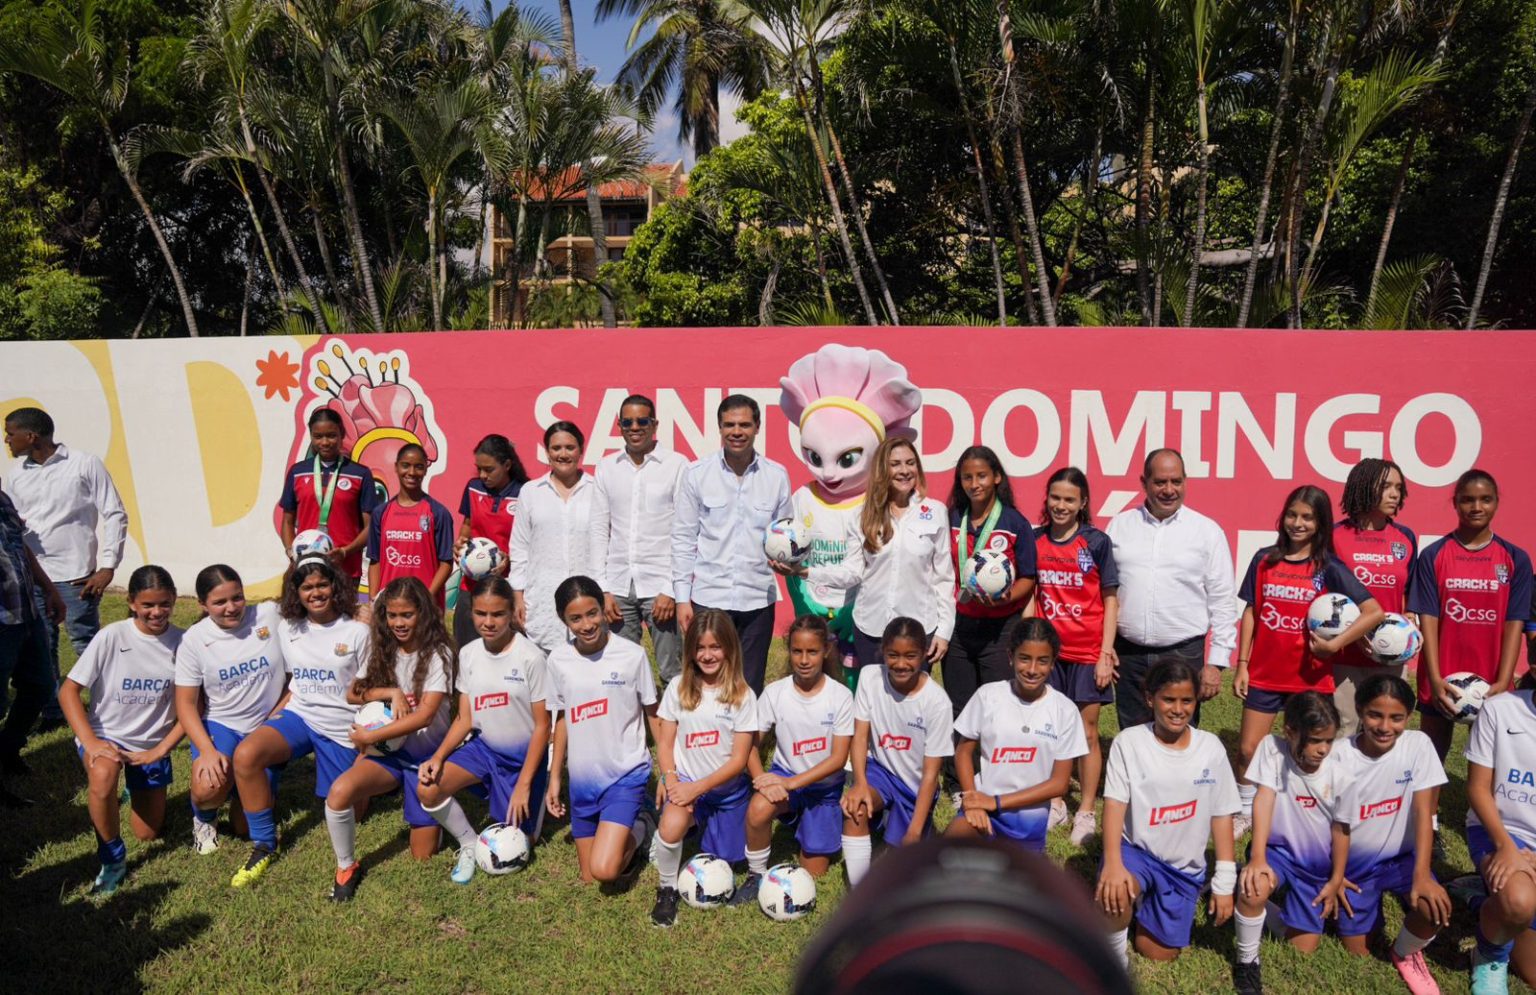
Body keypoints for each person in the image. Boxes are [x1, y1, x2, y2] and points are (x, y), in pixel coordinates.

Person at [1233, 485, 1382, 837]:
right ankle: (1243, 810)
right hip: (1265, 674)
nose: (1297, 523)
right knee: (1247, 748)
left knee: (1307, 750)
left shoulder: (1328, 567)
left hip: (1310, 679)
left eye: (1307, 517)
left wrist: (1336, 646)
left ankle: (1302, 808)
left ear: (1320, 524)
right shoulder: (1265, 559)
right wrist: (1242, 663)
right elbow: (1252, 611)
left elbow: (1373, 612)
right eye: (1292, 515)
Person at [228, 555, 370, 888]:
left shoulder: (357, 631)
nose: (316, 592)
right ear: (296, 591)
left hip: (340, 726)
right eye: (307, 587)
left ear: (335, 585)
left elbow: (367, 688)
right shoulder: (288, 628)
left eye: (322, 584)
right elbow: (294, 680)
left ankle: (365, 777)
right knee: (247, 754)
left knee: (353, 811)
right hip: (301, 714)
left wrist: (367, 740)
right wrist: (274, 713)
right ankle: (264, 843)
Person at [323, 576, 460, 901]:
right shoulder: (383, 649)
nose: (398, 623)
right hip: (389, 754)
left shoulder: (438, 654)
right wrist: (391, 692)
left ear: (423, 614)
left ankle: (434, 811)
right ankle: (346, 866)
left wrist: (370, 735)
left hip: (424, 759)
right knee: (339, 793)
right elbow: (352, 694)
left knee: (422, 854)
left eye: (407, 615)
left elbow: (425, 716)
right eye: (392, 615)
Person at [1096, 659, 1238, 967]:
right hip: (1137, 853)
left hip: (1182, 868)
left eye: (1186, 700)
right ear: (1150, 699)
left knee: (1159, 953)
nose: (1178, 709)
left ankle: (1148, 903)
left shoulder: (1211, 748)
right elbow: (1114, 806)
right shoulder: (1129, 742)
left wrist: (1225, 881)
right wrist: (1112, 864)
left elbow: (1222, 814)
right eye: (1168, 699)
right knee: (1115, 891)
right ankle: (1114, 957)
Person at [57, 565, 184, 896]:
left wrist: (161, 749)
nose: (156, 612)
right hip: (107, 736)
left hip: (150, 745)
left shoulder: (184, 643)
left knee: (148, 832)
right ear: (131, 603)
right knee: (103, 774)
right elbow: (68, 691)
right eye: (147, 605)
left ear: (174, 600)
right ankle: (112, 860)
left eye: (164, 604)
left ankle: (131, 790)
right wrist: (91, 741)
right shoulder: (112, 636)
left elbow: (191, 710)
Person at [788, 436, 955, 679]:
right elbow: (852, 572)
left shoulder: (935, 512)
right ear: (881, 469)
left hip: (920, 628)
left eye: (910, 463)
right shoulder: (862, 514)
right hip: (871, 629)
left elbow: (944, 578)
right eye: (896, 464)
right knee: (873, 705)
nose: (905, 470)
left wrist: (944, 631)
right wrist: (805, 572)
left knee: (910, 706)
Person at [417, 576, 549, 884]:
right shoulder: (469, 653)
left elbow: (543, 727)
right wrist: (438, 756)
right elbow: (464, 719)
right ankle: (468, 843)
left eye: (498, 614)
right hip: (484, 749)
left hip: (522, 760)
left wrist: (525, 785)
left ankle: (527, 800)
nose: (488, 622)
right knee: (428, 787)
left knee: (520, 845)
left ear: (512, 613)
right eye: (480, 613)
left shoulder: (531, 657)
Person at [4, 405, 127, 729]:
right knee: (43, 649)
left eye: (10, 433)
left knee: (87, 645)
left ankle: (108, 710)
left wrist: (107, 566)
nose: (6, 440)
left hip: (76, 577)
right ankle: (54, 714)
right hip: (31, 579)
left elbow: (114, 512)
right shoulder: (16, 476)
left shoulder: (83, 464)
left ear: (30, 436)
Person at [1331, 674, 1450, 991]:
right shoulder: (1338, 756)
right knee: (1357, 951)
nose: (1385, 726)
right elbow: (1322, 822)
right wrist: (1335, 874)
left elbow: (1424, 811)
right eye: (1375, 714)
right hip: (1354, 867)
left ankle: (1405, 955)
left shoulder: (1418, 744)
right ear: (1359, 709)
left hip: (1402, 860)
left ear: (1408, 717)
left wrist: (1422, 874)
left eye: (1396, 718)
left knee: (1433, 909)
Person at [1105, 448, 1238, 730]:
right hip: (1128, 655)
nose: (1169, 490)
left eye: (1176, 481)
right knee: (1132, 734)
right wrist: (1104, 646)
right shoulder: (1119, 526)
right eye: (1160, 482)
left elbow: (1223, 601)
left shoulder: (1206, 531)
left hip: (1183, 653)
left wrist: (1216, 663)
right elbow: (1104, 592)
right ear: (1144, 483)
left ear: (1186, 481)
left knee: (1179, 733)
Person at [1408, 469, 1532, 763]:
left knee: (1492, 758)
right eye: (1468, 500)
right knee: (1432, 752)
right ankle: (1428, 811)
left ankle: (1480, 810)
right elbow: (1429, 619)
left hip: (1492, 677)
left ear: (1497, 502)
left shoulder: (1515, 558)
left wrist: (1503, 680)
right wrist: (1436, 678)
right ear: (1455, 503)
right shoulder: (1434, 555)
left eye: (1485, 499)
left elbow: (1514, 623)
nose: (1477, 507)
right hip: (1442, 674)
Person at [1232, 692, 1352, 995]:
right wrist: (1257, 857)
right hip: (1277, 853)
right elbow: (1264, 799)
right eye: (1314, 740)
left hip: (1315, 868)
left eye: (1328, 740)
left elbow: (1342, 830)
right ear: (1290, 732)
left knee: (1303, 946)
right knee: (1255, 886)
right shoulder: (1272, 750)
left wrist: (1337, 878)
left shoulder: (1341, 771)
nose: (1322, 749)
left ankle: (1238, 885)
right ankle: (1247, 963)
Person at [672, 394, 793, 693]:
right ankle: (708, 737)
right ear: (719, 427)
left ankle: (748, 740)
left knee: (750, 683)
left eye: (744, 425)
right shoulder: (697, 474)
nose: (736, 432)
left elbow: (785, 534)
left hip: (757, 598)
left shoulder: (776, 476)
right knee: (707, 681)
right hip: (709, 596)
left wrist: (788, 561)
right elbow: (684, 538)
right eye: (729, 425)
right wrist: (682, 598)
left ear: (757, 427)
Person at [544, 575, 659, 885]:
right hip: (584, 782)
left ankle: (642, 826)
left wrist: (670, 773)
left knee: (605, 870)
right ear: (563, 620)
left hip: (626, 774)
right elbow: (562, 719)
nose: (587, 624)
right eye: (575, 618)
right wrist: (555, 778)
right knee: (589, 878)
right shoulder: (558, 661)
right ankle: (628, 827)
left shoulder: (631, 655)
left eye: (592, 613)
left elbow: (653, 713)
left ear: (604, 609)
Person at [734, 615, 854, 906]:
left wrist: (791, 783)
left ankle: (807, 821)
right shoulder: (776, 692)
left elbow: (838, 759)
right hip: (785, 778)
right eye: (797, 651)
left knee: (813, 871)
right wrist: (760, 778)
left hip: (823, 788)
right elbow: (750, 743)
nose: (803, 659)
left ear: (825, 651)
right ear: (788, 650)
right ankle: (756, 874)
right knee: (759, 808)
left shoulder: (840, 696)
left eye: (812, 652)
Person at [650, 609, 758, 927]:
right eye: (700, 648)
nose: (707, 655)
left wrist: (698, 788)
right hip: (686, 783)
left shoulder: (742, 695)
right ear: (690, 650)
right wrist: (671, 779)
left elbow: (739, 761)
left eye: (715, 647)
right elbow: (666, 744)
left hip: (725, 790)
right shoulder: (679, 688)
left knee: (730, 861)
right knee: (671, 825)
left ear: (729, 648)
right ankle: (667, 889)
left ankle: (702, 829)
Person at [1031, 466, 1119, 846]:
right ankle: (1055, 801)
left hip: (1087, 653)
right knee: (1050, 730)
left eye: (1069, 499)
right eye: (1055, 498)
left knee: (1086, 733)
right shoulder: (1034, 541)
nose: (1061, 506)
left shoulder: (1096, 542)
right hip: (1049, 655)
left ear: (1083, 503)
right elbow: (1033, 595)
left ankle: (1085, 809)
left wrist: (1104, 654)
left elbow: (1111, 601)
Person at [946, 617, 1087, 851]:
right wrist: (973, 800)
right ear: (1011, 656)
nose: (1032, 670)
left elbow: (1059, 784)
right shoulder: (988, 695)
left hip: (1027, 825)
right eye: (1024, 659)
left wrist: (997, 802)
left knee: (1014, 885)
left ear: (1053, 662)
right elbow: (963, 752)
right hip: (982, 809)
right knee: (947, 855)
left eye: (1042, 661)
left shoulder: (1065, 710)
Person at [173, 565, 286, 855]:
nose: (231, 607)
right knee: (207, 788)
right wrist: (207, 750)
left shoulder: (269, 615)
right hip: (222, 724)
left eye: (237, 598)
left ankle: (242, 787)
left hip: (266, 727)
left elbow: (311, 610)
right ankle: (204, 818)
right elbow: (185, 704)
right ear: (202, 604)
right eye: (219, 602)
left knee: (244, 827)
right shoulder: (194, 640)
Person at [841, 617, 953, 887]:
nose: (901, 664)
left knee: (906, 876)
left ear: (924, 654)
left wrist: (914, 831)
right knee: (855, 808)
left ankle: (899, 831)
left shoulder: (937, 703)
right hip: (880, 772)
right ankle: (860, 894)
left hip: (916, 787)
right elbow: (860, 736)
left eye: (910, 656)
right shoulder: (870, 677)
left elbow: (930, 775)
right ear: (883, 652)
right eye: (893, 655)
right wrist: (860, 784)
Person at [590, 395, 688, 684]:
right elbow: (598, 529)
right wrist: (603, 589)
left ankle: (679, 729)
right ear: (619, 426)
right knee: (621, 673)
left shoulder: (677, 464)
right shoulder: (607, 467)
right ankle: (634, 729)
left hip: (660, 586)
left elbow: (685, 530)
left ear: (655, 424)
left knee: (673, 672)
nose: (635, 427)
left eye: (642, 421)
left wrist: (671, 588)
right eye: (627, 422)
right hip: (618, 587)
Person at [943, 446, 1038, 736]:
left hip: (1001, 629)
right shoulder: (951, 518)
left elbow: (1029, 577)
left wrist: (1004, 598)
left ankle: (994, 775)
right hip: (959, 626)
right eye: (967, 477)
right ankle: (958, 777)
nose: (974, 484)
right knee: (960, 705)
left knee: (997, 705)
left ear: (997, 477)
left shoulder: (1014, 523)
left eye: (982, 476)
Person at [1332, 458, 1418, 737]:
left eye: (1398, 487)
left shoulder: (1405, 538)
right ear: (1364, 487)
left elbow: (1407, 594)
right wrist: (1352, 635)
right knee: (1343, 731)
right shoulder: (1334, 536)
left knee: (1382, 734)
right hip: (1344, 656)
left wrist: (1409, 624)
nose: (1395, 494)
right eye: (1386, 487)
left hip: (1389, 659)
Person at [1463, 673, 1536, 993]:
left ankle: (1480, 898)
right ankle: (1489, 954)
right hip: (1500, 831)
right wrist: (1505, 846)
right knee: (1518, 902)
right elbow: (1478, 789)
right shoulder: (1499, 710)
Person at [0, 480, 63, 803]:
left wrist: (49, 589)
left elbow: (20, 548)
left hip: (25, 613)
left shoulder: (3, 498)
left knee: (40, 685)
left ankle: (7, 750)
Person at [510, 421, 596, 654]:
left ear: (581, 450)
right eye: (556, 448)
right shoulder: (530, 491)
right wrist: (517, 594)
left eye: (570, 447)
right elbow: (519, 547)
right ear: (547, 452)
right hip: (543, 599)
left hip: (587, 599)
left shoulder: (597, 489)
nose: (563, 454)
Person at [277, 408, 377, 581]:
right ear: (311, 436)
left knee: (344, 609)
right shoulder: (297, 472)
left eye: (331, 435)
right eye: (318, 436)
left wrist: (346, 551)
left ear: (341, 434)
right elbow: (287, 521)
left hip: (346, 568)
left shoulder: (360, 474)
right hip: (306, 568)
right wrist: (291, 552)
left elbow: (370, 527)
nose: (325, 442)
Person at [450, 434, 527, 648]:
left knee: (506, 650)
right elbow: (467, 524)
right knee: (466, 649)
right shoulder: (473, 488)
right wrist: (460, 544)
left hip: (509, 585)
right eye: (479, 469)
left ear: (507, 465)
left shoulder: (525, 493)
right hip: (471, 584)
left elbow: (532, 541)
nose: (482, 475)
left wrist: (510, 560)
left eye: (489, 469)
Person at [365, 443, 454, 607]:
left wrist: (427, 596)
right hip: (390, 605)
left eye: (418, 467)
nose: (412, 472)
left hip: (425, 605)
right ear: (396, 467)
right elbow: (375, 560)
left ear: (426, 469)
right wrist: (373, 598)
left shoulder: (438, 513)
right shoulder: (381, 513)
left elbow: (446, 564)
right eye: (406, 466)